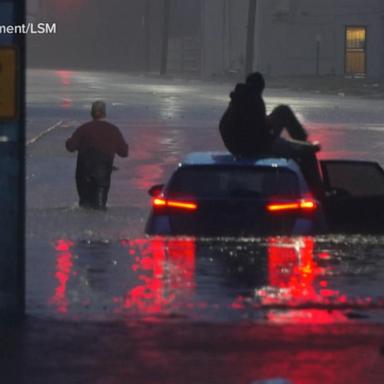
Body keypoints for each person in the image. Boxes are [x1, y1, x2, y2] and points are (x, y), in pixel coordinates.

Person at [219, 72, 322, 194]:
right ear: (261, 86)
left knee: (282, 111)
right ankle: (318, 192)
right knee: (307, 152)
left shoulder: (237, 99)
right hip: (258, 146)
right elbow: (259, 133)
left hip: (247, 143)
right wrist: (273, 137)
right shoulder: (254, 100)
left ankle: (301, 143)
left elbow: (224, 126)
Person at [66, 101, 128, 209]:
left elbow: (70, 147)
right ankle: (99, 223)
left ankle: (83, 224)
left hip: (83, 172)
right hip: (102, 172)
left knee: (84, 205)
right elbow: (124, 152)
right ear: (105, 114)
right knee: (100, 206)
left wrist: (68, 141)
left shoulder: (83, 129)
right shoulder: (113, 130)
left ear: (91, 113)